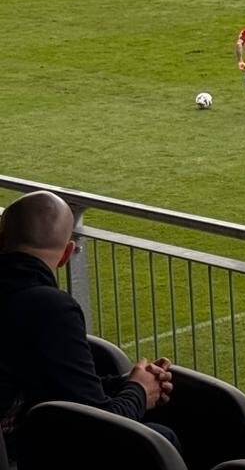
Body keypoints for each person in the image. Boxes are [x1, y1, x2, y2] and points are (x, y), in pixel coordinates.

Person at [0, 192, 177, 450]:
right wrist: (139, 391)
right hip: (20, 452)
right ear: (66, 254)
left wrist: (129, 383)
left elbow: (65, 390)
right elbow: (97, 426)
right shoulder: (49, 308)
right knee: (161, 438)